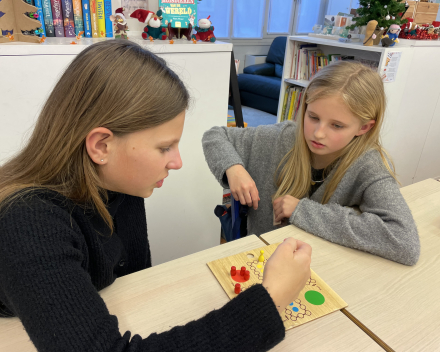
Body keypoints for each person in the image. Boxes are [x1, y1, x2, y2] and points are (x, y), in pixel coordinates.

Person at [0, 40, 312, 352]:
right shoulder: (26, 222)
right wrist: (271, 299)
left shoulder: (118, 185)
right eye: (164, 147)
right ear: (101, 146)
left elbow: (135, 281)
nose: (176, 162)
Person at [203, 60, 420, 266]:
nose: (318, 133)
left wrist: (302, 210)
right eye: (313, 117)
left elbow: (404, 241)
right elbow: (214, 136)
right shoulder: (279, 137)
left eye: (336, 125)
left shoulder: (368, 166)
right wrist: (234, 168)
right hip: (258, 260)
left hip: (321, 271)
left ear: (364, 128)